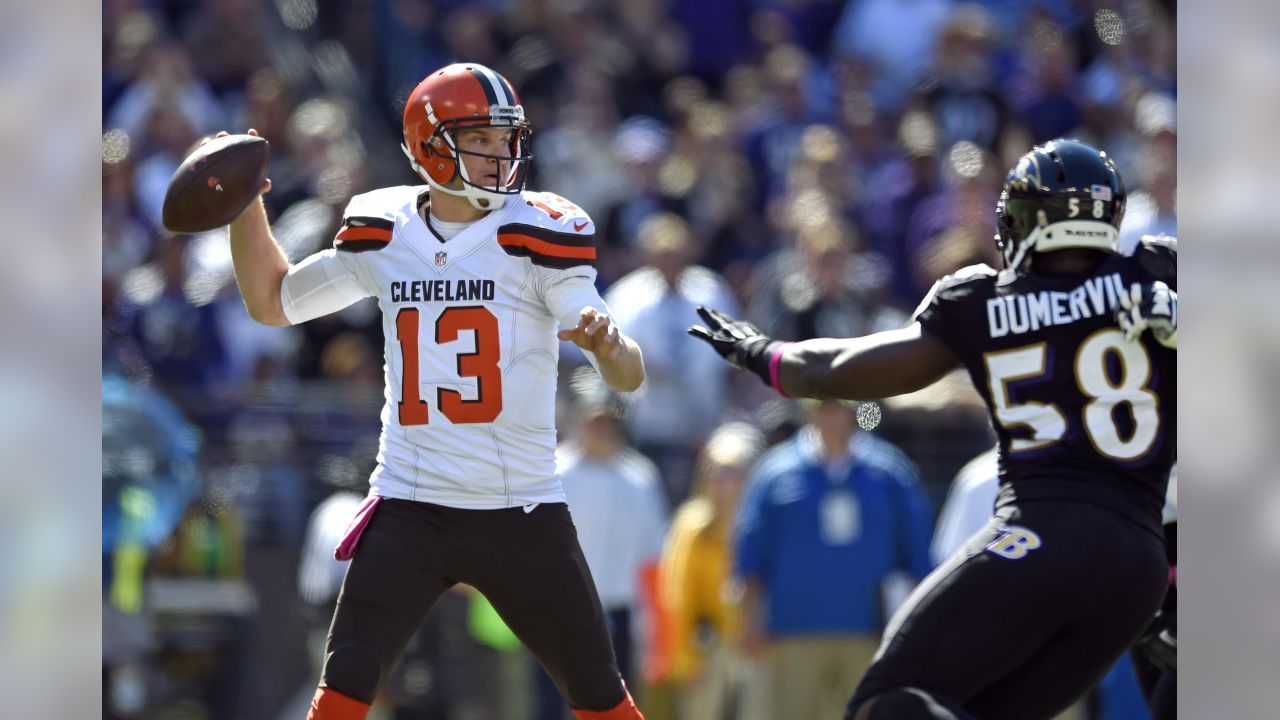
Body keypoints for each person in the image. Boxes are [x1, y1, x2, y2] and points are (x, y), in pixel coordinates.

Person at [215, 62, 647, 720]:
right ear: (431, 146)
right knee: (342, 690)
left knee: (600, 696)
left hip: (519, 507)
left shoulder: (539, 232)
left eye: (508, 139)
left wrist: (610, 351)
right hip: (412, 501)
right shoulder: (384, 231)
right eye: (484, 139)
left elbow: (629, 374)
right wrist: (245, 205)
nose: (504, 155)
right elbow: (274, 301)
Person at [689, 138, 1177, 720]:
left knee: (887, 702)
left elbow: (838, 370)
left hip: (1043, 534)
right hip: (1139, 569)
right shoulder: (1157, 273)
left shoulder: (983, 300)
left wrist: (761, 353)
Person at [733, 399, 933, 720]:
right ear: (807, 410)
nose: (831, 414)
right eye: (822, 405)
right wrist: (748, 621)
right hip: (792, 632)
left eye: (839, 405)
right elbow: (751, 551)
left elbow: (917, 552)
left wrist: (915, 630)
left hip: (871, 633)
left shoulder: (889, 470)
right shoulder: (774, 472)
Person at [534, 367, 669, 720]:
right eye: (593, 418)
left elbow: (653, 558)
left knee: (614, 708)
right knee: (551, 706)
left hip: (620, 615)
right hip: (560, 612)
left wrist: (655, 632)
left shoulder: (640, 478)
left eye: (606, 420)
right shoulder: (553, 472)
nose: (600, 427)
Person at [658, 421, 763, 720]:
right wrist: (687, 662)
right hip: (710, 647)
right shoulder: (692, 525)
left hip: (756, 644)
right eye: (715, 471)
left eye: (732, 472)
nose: (722, 481)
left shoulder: (761, 523)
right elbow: (678, 597)